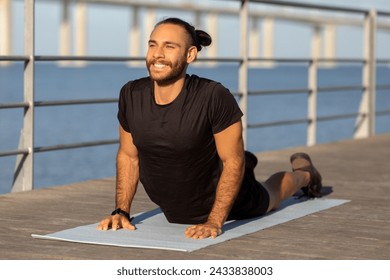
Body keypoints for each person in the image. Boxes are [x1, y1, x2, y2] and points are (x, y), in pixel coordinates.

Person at [97, 17, 322, 239]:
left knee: (270, 194)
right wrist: (121, 211)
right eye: (153, 44)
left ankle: (305, 175)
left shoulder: (213, 96)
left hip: (228, 199)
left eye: (169, 46)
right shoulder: (130, 94)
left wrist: (214, 221)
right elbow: (128, 156)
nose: (157, 54)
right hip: (178, 206)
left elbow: (233, 162)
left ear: (190, 54)